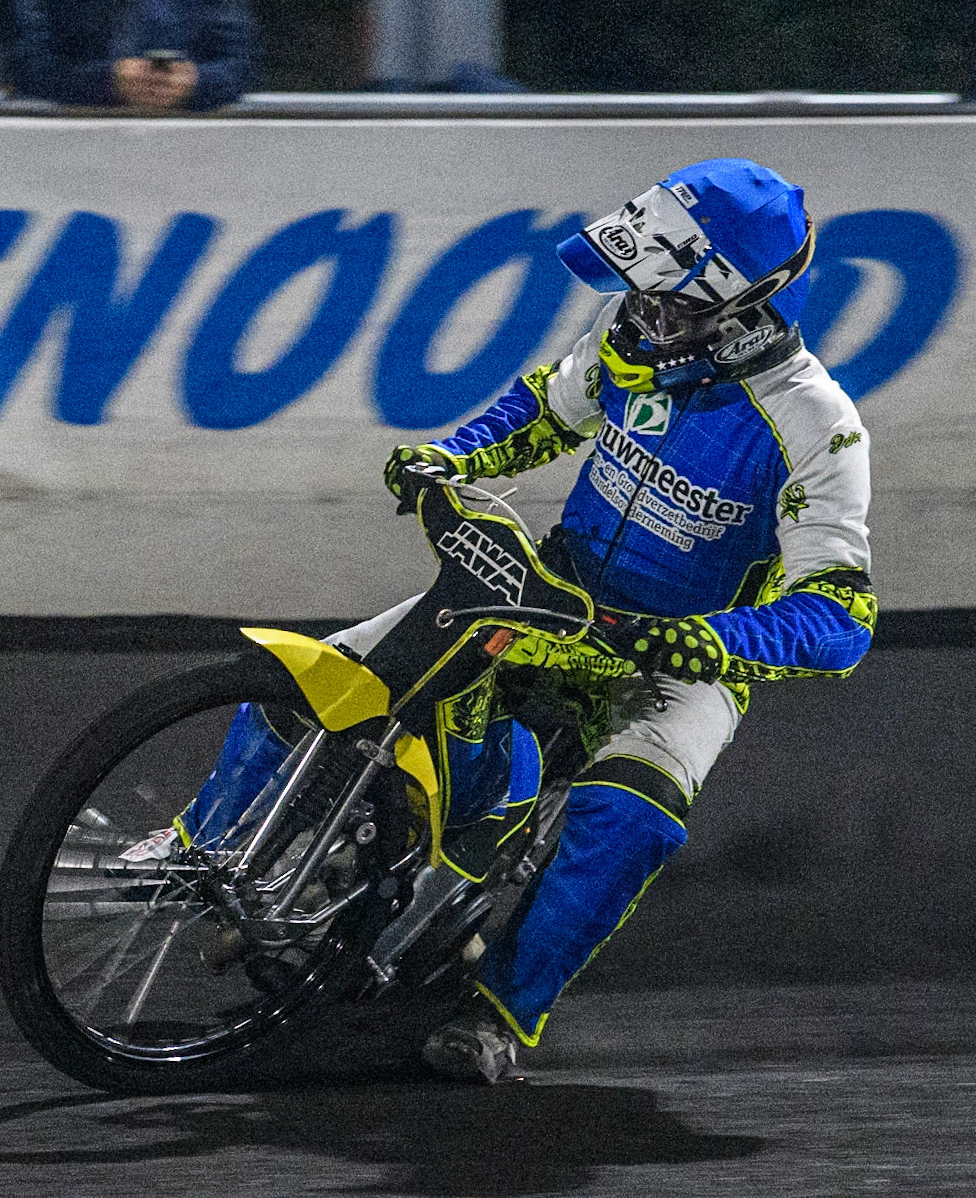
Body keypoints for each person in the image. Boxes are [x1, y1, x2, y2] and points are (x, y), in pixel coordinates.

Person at [367, 158, 875, 1082]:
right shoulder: (629, 328)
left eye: (666, 303)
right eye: (635, 291)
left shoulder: (819, 426)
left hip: (681, 662)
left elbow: (841, 617)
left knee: (628, 819)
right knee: (344, 668)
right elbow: (548, 410)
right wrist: (451, 457)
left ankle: (500, 1015)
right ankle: (198, 846)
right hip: (554, 593)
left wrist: (709, 641)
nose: (638, 316)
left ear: (742, 310)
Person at [0, 0, 258, 110]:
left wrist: (195, 82)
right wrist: (107, 81)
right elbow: (26, 69)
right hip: (70, 153)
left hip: (188, 155)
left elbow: (244, 70)